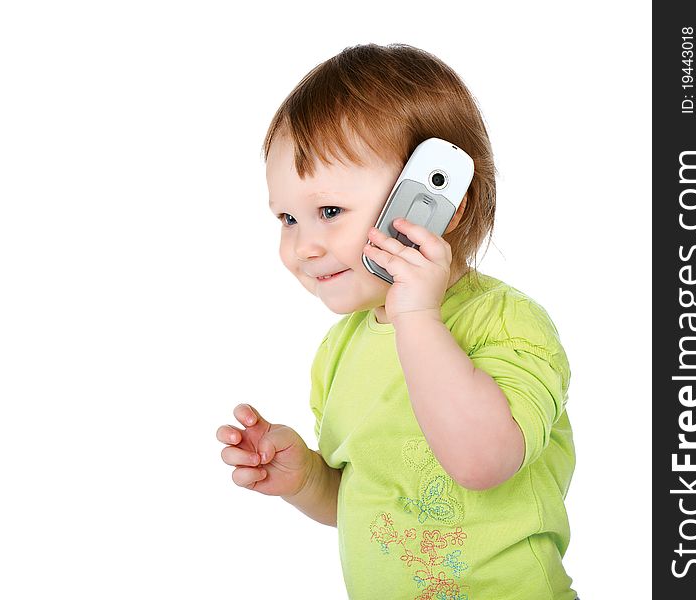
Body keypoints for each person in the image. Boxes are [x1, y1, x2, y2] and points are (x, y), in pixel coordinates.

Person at [217, 43, 578, 600]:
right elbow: (373, 498)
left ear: (441, 205)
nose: (303, 246)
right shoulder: (339, 352)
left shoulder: (506, 324)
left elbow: (482, 463)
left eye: (329, 212)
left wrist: (415, 312)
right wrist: (308, 481)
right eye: (287, 218)